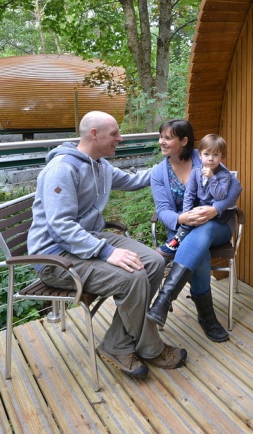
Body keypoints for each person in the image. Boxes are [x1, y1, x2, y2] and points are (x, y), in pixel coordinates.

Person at [27, 111, 186, 380]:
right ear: (93, 134)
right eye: (114, 134)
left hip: (88, 239)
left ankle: (116, 344)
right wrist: (107, 252)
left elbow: (135, 180)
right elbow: (60, 226)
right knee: (131, 277)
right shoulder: (61, 170)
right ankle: (151, 347)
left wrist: (173, 161)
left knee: (155, 262)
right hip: (56, 257)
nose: (120, 139)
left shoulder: (100, 165)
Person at [148, 120, 242, 342]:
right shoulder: (159, 173)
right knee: (199, 251)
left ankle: (164, 299)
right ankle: (207, 317)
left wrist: (214, 209)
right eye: (161, 136)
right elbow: (162, 210)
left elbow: (234, 186)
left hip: (216, 226)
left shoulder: (204, 157)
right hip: (183, 229)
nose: (162, 141)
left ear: (184, 141)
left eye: (168, 137)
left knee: (205, 228)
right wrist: (183, 217)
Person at [157, 134, 237, 254]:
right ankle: (177, 241)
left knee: (199, 228)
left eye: (215, 155)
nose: (210, 158)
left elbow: (219, 196)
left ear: (222, 156)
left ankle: (176, 242)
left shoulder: (224, 175)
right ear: (199, 155)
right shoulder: (195, 172)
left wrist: (212, 178)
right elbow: (189, 194)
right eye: (206, 154)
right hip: (199, 210)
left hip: (217, 216)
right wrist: (187, 214)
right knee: (194, 220)